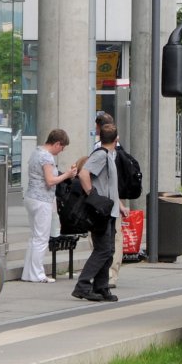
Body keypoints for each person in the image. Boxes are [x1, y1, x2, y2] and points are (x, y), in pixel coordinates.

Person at [72, 123, 128, 302]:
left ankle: (101, 287)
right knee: (103, 250)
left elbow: (110, 185)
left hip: (109, 210)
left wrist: (118, 205)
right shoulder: (101, 155)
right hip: (100, 210)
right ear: (117, 139)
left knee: (108, 249)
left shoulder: (109, 155)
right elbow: (83, 174)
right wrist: (92, 195)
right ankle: (82, 286)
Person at [22, 129, 77, 283]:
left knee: (34, 237)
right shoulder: (47, 157)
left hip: (31, 197)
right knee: (41, 238)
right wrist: (67, 175)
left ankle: (29, 273)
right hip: (42, 200)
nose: (62, 150)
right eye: (62, 147)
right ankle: (38, 274)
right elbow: (50, 180)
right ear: (57, 143)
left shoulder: (36, 152)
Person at [95, 112, 125, 289]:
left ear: (99, 129)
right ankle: (110, 274)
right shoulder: (117, 150)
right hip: (112, 201)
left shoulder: (101, 151)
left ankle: (105, 274)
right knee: (114, 239)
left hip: (103, 202)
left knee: (102, 240)